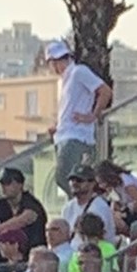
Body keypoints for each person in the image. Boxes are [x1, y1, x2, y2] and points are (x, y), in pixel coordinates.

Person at [46, 38, 112, 188]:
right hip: (63, 135)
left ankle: (83, 202)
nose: (57, 65)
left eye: (60, 60)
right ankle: (79, 204)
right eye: (54, 61)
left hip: (76, 135)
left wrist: (93, 115)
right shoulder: (61, 82)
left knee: (65, 177)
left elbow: (105, 91)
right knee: (70, 178)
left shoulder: (79, 72)